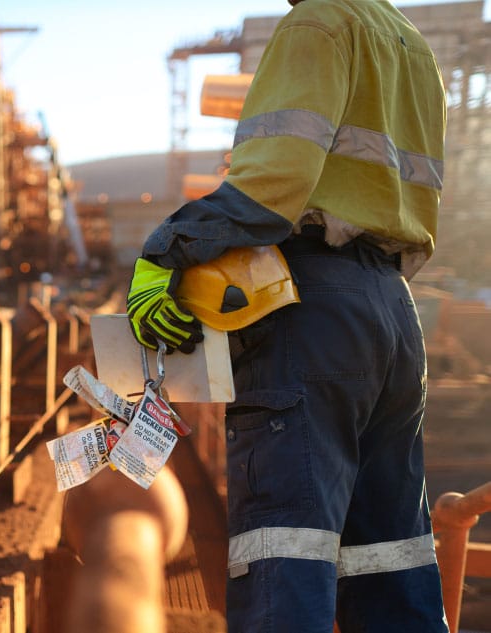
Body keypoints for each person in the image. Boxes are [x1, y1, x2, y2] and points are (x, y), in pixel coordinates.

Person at [126, 0, 448, 631]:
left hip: (310, 307)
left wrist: (167, 250)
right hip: (392, 312)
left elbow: (275, 182)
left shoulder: (318, 23)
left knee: (285, 555)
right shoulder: (411, 44)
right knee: (393, 559)